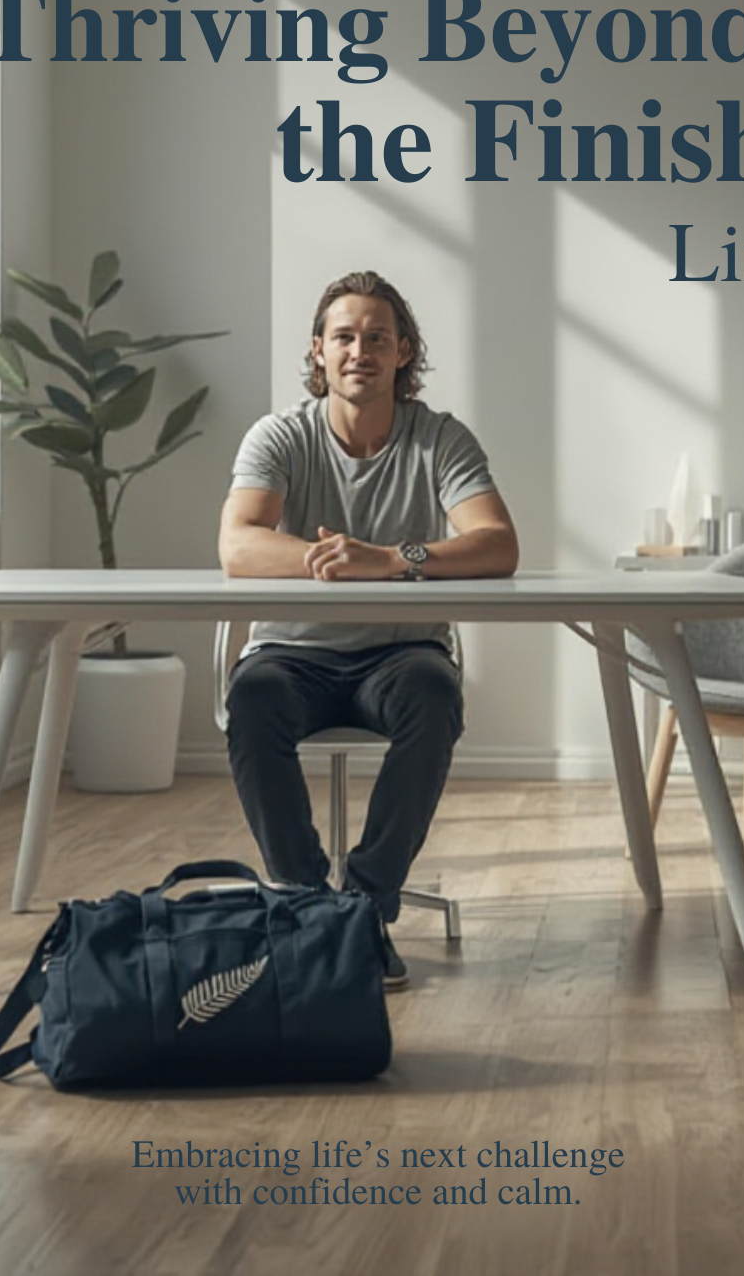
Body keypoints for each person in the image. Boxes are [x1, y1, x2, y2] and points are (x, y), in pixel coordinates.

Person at [218, 270, 518, 987]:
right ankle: (306, 906)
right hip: (291, 653)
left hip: (400, 652)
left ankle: (365, 908)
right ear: (317, 351)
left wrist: (389, 561)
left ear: (404, 353)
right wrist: (333, 563)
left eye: (377, 337)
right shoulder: (280, 434)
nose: (360, 350)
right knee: (251, 700)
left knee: (434, 693)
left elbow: (498, 544)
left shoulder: (439, 438)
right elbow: (237, 545)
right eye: (344, 336)